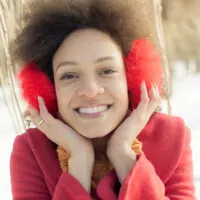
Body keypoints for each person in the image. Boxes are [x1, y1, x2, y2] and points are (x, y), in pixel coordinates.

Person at [9, 0, 196, 199]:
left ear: (133, 76)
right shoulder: (32, 152)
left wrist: (124, 153)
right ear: (49, 88)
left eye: (107, 71)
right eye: (69, 75)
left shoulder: (172, 138)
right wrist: (79, 159)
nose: (90, 91)